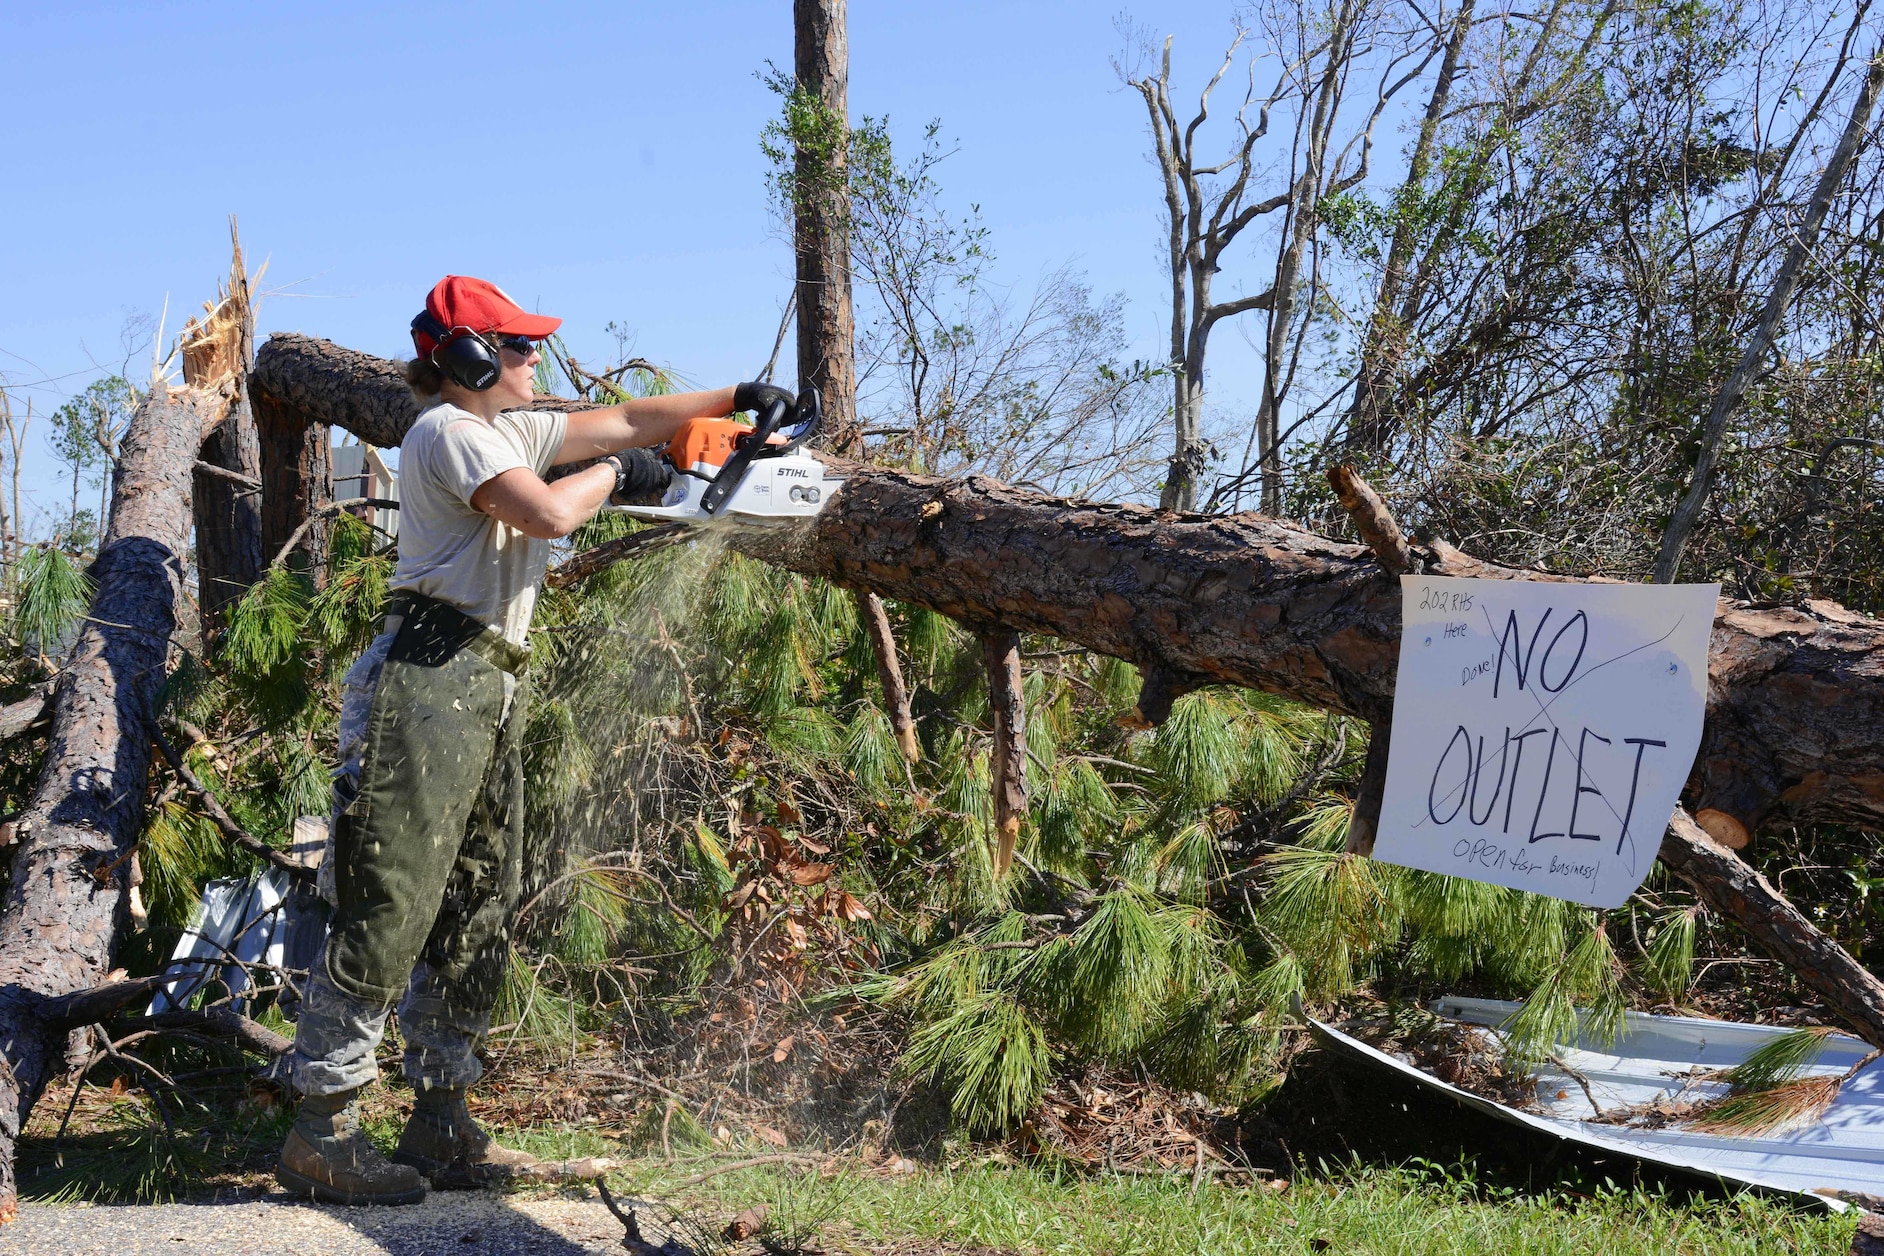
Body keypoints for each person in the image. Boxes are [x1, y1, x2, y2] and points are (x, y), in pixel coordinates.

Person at [277, 275, 795, 1205]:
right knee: (390, 895)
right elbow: (551, 513)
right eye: (517, 348)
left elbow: (631, 417)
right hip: (428, 675)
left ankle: (442, 1119)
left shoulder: (509, 427)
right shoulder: (445, 432)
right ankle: (322, 1129)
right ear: (469, 357)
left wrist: (732, 401)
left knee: (479, 894)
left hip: (488, 681)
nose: (533, 360)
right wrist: (616, 479)